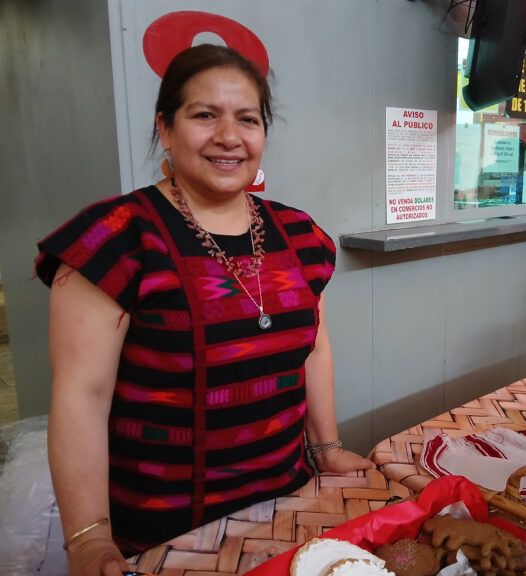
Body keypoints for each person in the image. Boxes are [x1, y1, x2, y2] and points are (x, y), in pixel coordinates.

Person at [34, 44, 374, 576]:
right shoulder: (116, 240)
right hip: (163, 531)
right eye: (204, 116)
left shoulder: (300, 236)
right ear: (165, 129)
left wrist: (326, 449)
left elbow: (313, 350)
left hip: (288, 504)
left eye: (247, 119)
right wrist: (88, 539)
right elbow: (82, 395)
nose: (229, 137)